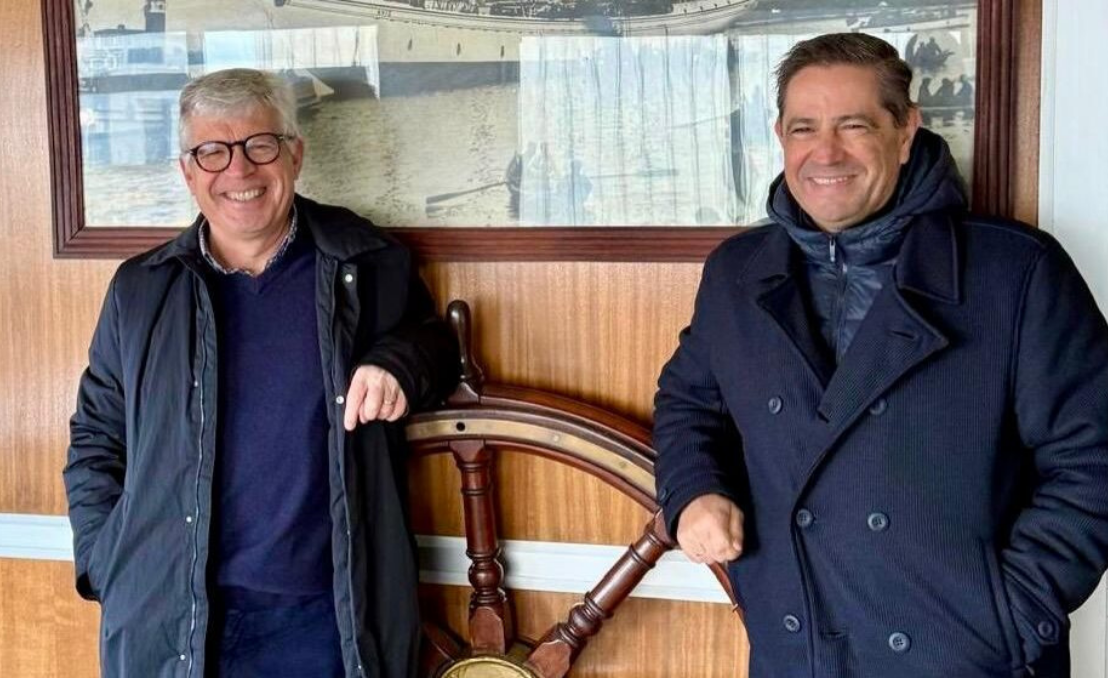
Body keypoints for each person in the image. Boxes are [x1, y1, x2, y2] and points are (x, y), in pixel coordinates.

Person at [654, 33, 1108, 678]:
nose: (825, 152)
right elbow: (687, 404)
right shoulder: (736, 273)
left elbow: (1093, 460)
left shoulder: (1016, 272)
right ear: (780, 135)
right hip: (796, 648)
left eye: (855, 125)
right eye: (804, 127)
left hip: (967, 656)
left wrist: (1010, 612)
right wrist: (693, 490)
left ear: (905, 130)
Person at [63, 68, 458, 678]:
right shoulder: (140, 291)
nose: (238, 171)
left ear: (294, 155)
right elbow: (96, 439)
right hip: (172, 617)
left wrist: (396, 364)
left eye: (259, 145)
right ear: (188, 172)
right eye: (212, 152)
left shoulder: (367, 262)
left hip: (328, 620)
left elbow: (435, 343)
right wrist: (105, 559)